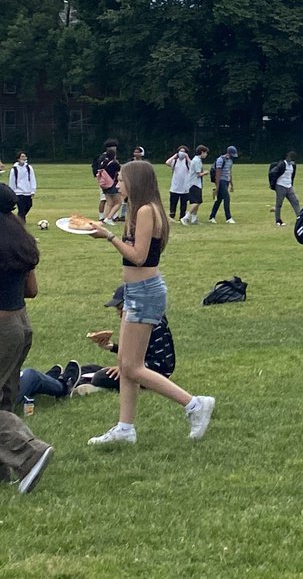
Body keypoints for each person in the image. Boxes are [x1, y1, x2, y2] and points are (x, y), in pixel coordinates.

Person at [84, 160, 215, 445]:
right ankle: (125, 428)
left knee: (133, 367)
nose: (117, 184)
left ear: (136, 181)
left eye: (121, 179)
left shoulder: (145, 211)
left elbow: (139, 256)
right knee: (124, 362)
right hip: (137, 291)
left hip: (145, 292)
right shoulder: (141, 209)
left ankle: (194, 404)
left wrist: (108, 236)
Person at [21, 285, 176, 400]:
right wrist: (112, 347)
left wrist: (128, 368)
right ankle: (62, 382)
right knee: (87, 368)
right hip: (135, 368)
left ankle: (93, 388)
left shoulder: (152, 324)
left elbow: (163, 363)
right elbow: (137, 350)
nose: (119, 314)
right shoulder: (138, 321)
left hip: (150, 373)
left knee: (100, 377)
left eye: (121, 308)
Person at [0, 183, 53, 493]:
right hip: (20, 325)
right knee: (3, 399)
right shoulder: (21, 236)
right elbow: (31, 290)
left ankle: (30, 452)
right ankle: (4, 471)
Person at [208, 146, 238, 224]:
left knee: (219, 200)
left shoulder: (230, 161)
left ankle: (212, 217)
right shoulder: (221, 160)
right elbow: (218, 173)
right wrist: (217, 185)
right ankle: (228, 218)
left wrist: (231, 184)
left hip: (226, 181)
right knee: (227, 198)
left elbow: (229, 172)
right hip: (221, 181)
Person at [94, 139, 122, 224]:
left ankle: (106, 218)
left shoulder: (103, 161)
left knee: (109, 202)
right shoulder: (114, 163)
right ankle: (109, 217)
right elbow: (119, 171)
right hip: (111, 184)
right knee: (118, 202)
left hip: (103, 184)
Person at [181, 145, 208, 225]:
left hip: (196, 184)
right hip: (194, 184)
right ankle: (186, 217)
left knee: (197, 202)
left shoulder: (197, 160)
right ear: (202, 152)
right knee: (196, 202)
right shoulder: (197, 161)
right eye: (205, 153)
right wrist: (205, 173)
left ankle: (194, 219)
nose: (206, 155)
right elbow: (198, 174)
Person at [273, 151, 301, 227]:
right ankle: (278, 220)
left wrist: (291, 183)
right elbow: (274, 172)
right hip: (280, 185)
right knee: (279, 204)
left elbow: (292, 175)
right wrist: (274, 183)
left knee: (295, 201)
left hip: (289, 186)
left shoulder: (293, 166)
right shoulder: (282, 164)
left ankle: (300, 218)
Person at [165, 146, 192, 221]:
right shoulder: (175, 161)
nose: (182, 153)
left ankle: (182, 217)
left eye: (184, 151)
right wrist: (175, 156)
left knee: (184, 204)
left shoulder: (187, 162)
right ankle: (172, 216)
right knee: (173, 203)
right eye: (180, 151)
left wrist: (187, 157)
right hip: (175, 187)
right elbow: (167, 162)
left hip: (185, 187)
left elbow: (192, 165)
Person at [7, 153, 36, 223]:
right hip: (18, 192)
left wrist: (33, 190)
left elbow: (32, 179)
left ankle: (19, 219)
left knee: (29, 205)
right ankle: (21, 221)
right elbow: (12, 181)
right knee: (21, 208)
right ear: (18, 159)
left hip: (27, 191)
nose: (24, 158)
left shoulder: (29, 168)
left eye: (25, 156)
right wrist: (12, 192)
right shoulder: (14, 169)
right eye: (22, 157)